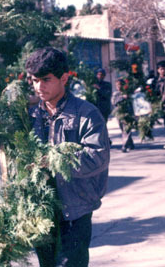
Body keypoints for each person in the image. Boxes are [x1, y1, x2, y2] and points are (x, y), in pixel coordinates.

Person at [26, 47, 110, 267]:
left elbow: (98, 155)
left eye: (46, 80)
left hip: (75, 209)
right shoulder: (30, 115)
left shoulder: (86, 113)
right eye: (35, 80)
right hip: (41, 210)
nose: (39, 87)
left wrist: (55, 160)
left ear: (64, 78)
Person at [111, 79, 135, 153]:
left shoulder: (128, 93)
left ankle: (124, 146)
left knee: (126, 130)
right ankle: (131, 144)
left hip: (128, 113)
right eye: (117, 85)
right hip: (119, 115)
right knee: (123, 129)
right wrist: (122, 98)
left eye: (120, 84)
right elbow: (113, 102)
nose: (119, 86)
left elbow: (133, 103)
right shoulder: (116, 94)